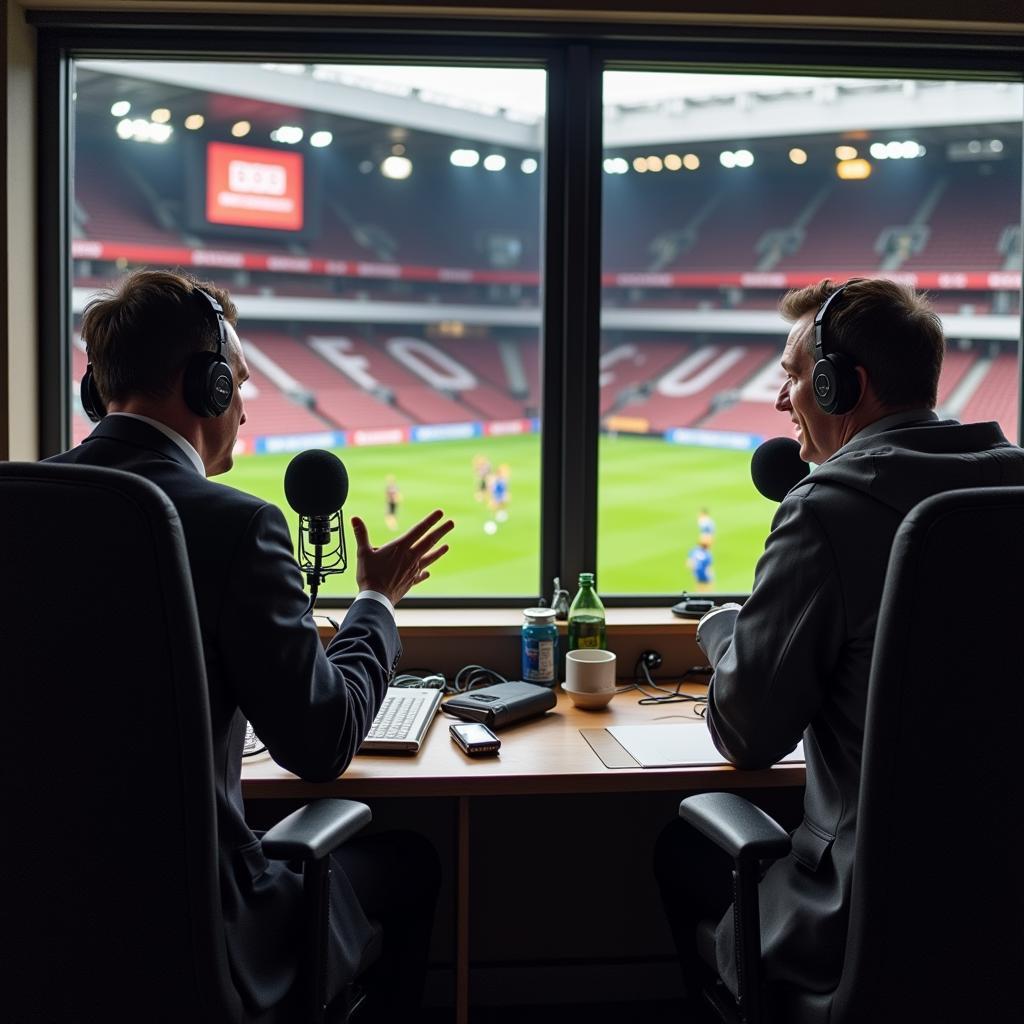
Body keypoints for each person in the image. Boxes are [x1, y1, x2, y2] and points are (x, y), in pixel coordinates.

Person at [49, 269, 454, 1022]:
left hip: (40, 922)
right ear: (201, 386)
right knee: (412, 864)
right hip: (197, 931)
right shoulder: (238, 526)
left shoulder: (22, 505)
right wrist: (376, 604)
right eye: (234, 381)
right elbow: (322, 741)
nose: (241, 404)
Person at [654, 277, 1024, 1021]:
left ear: (842, 383)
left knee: (681, 850)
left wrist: (724, 631)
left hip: (870, 923)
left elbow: (747, 735)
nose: (782, 399)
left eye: (794, 376)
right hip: (1010, 915)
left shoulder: (826, 510)